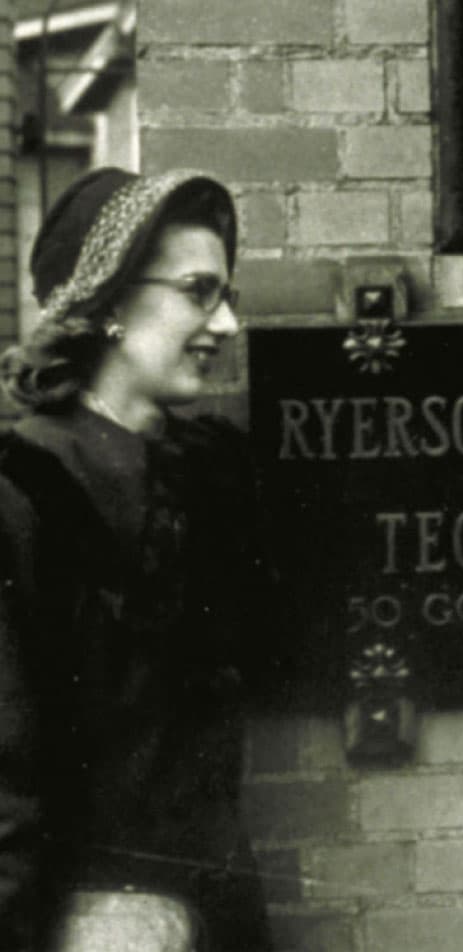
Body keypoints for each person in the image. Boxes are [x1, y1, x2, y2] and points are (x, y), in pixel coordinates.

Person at [0, 167, 274, 950]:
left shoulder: (207, 478)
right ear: (112, 304)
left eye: (227, 296)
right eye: (198, 292)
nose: (224, 325)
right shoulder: (24, 492)